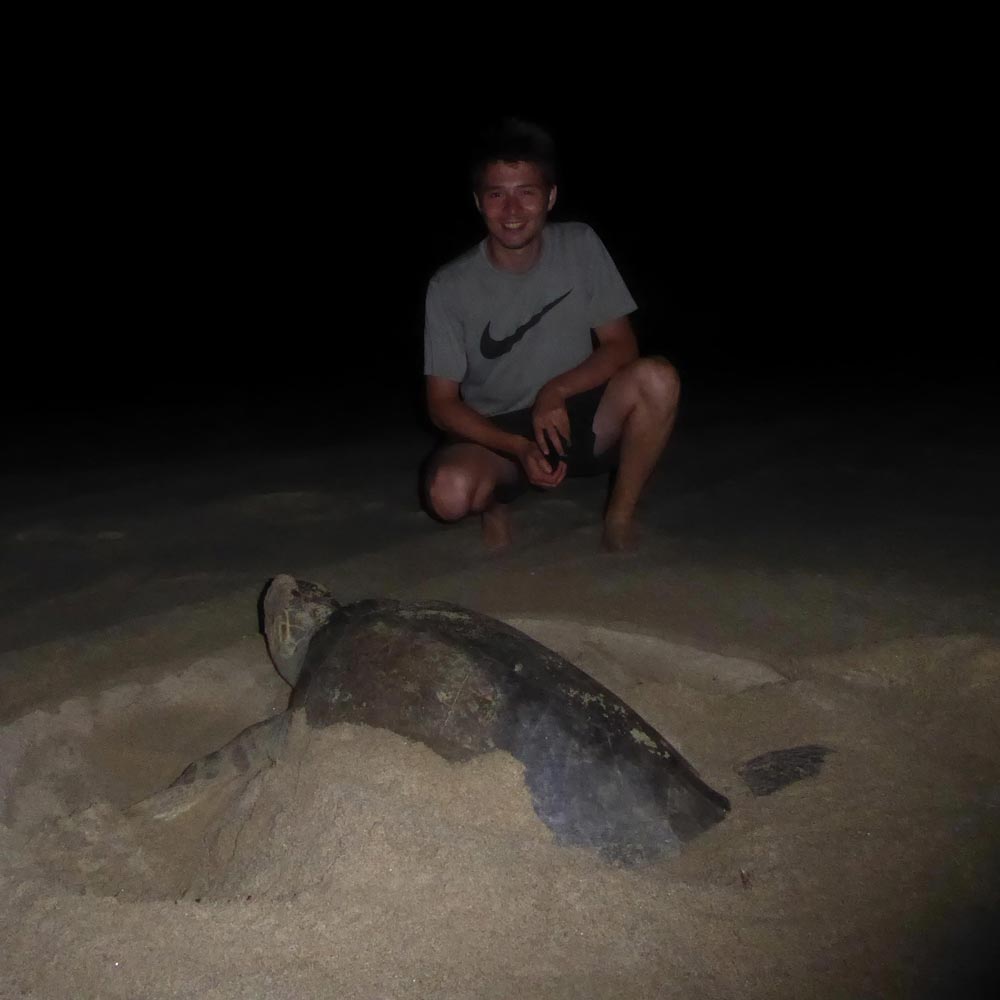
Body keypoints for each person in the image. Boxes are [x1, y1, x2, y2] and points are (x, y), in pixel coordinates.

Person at [422, 119, 680, 552]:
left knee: (658, 377)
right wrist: (516, 446)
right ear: (478, 202)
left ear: (551, 196)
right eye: (496, 194)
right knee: (448, 494)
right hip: (496, 429)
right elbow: (440, 405)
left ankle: (620, 517)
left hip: (576, 409)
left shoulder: (580, 244)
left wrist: (556, 391)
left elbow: (622, 346)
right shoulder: (448, 287)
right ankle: (495, 505)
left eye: (527, 192)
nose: (512, 210)